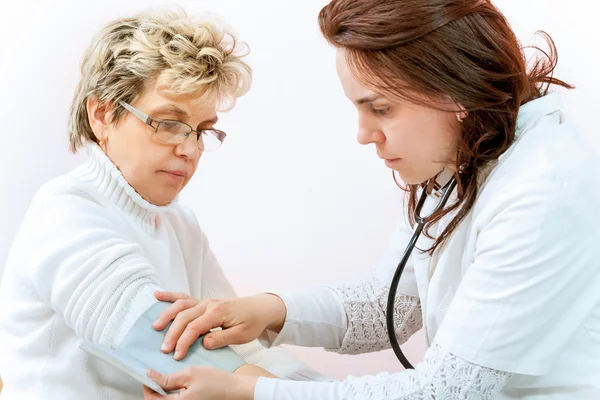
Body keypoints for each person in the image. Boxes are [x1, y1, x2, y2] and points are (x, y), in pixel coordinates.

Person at [141, 0, 600, 399]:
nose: (364, 135)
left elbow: (446, 392)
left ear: (458, 87)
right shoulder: (466, 156)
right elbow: (396, 305)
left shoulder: (540, 194)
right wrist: (270, 311)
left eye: (380, 109)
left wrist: (252, 392)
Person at [0, 9, 330, 400]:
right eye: (168, 123)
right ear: (102, 115)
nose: (189, 149)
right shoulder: (64, 215)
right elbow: (186, 357)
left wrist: (350, 393)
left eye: (202, 130)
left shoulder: (178, 222)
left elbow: (242, 347)